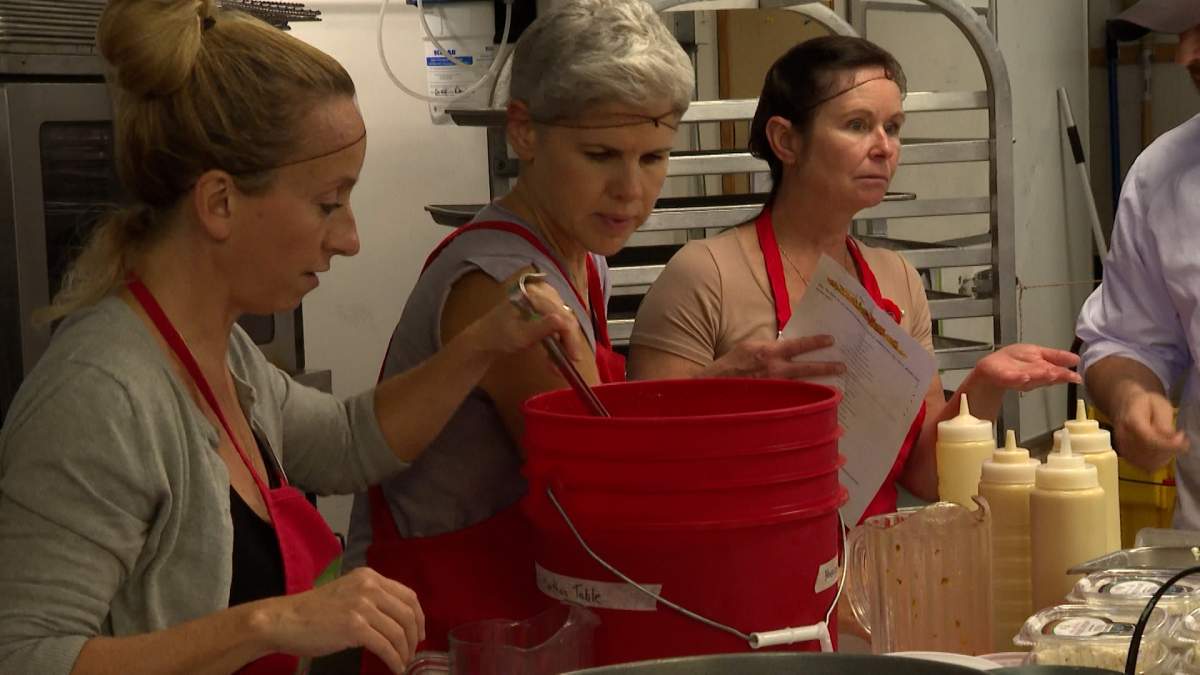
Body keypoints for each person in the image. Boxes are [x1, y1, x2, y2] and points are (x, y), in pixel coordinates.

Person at [0, 1, 579, 674]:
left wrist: (483, 342)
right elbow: (25, 654)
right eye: (328, 202)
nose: (350, 238)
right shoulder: (101, 396)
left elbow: (344, 441)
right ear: (219, 203)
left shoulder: (225, 357)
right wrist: (271, 620)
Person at [342, 0, 694, 660]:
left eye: (654, 158)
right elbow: (599, 484)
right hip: (443, 632)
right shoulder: (502, 287)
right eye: (600, 154)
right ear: (524, 132)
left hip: (516, 617)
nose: (631, 189)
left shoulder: (579, 255)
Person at [629, 35, 1081, 519]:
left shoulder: (897, 279)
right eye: (857, 125)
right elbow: (640, 463)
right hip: (738, 564)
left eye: (893, 127)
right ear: (786, 141)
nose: (884, 148)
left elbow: (926, 477)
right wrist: (724, 387)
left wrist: (984, 384)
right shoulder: (706, 274)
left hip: (869, 571)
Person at [1076, 0, 1200, 527]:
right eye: (1187, 32)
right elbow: (1124, 340)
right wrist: (1132, 395)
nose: (1187, 54)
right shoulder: (1164, 174)